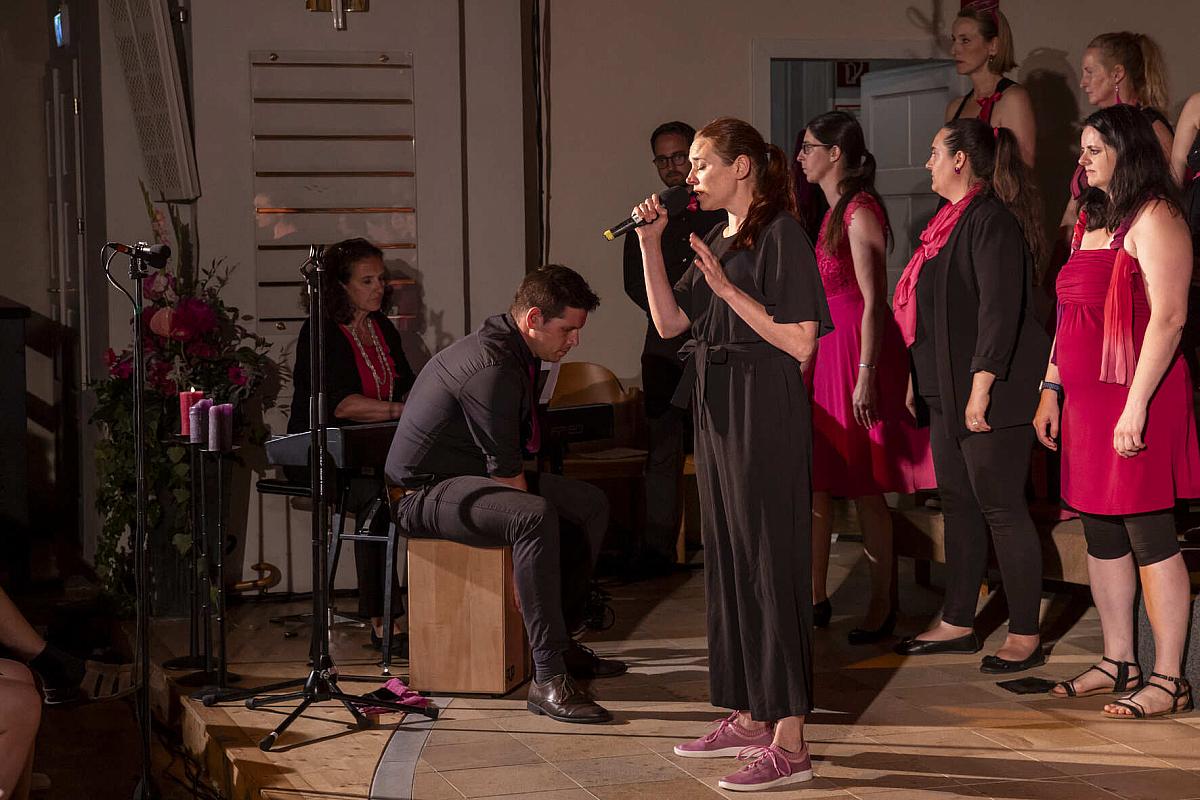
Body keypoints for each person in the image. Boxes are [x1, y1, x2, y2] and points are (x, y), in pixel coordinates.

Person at [635, 116, 832, 791]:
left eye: (701, 164)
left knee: (770, 562)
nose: (690, 177)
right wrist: (651, 247)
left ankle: (792, 741)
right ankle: (749, 714)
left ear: (741, 165)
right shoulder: (721, 234)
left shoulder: (782, 235)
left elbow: (802, 342)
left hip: (763, 404)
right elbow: (668, 324)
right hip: (717, 404)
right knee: (728, 561)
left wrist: (727, 291)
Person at [385, 266, 625, 725]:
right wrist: (518, 563)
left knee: (589, 503)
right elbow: (507, 472)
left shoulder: (516, 352)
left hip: (466, 479)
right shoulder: (493, 366)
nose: (574, 342)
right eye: (567, 330)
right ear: (533, 318)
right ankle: (548, 677)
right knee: (532, 515)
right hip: (421, 492)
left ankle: (563, 640)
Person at [1037, 105, 1197, 719]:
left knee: (1148, 533)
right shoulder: (1088, 221)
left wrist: (1135, 407)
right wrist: (1052, 387)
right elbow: (1068, 314)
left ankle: (1169, 677)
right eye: (1081, 148)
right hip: (1086, 401)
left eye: (1093, 148)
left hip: (1140, 396)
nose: (1082, 158)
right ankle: (1118, 658)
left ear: (1126, 150)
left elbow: (1171, 317)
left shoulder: (1157, 216)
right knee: (1101, 531)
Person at [892, 118, 1051, 674]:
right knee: (959, 504)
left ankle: (1026, 633)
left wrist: (981, 388)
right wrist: (916, 378)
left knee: (1002, 509)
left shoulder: (990, 221)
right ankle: (958, 620)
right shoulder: (944, 224)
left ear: (961, 160)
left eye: (935, 152)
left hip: (990, 391)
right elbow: (930, 315)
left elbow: (999, 311)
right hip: (946, 389)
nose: (927, 162)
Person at [796, 111, 934, 644]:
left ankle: (883, 602)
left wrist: (866, 373)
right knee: (819, 481)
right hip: (828, 350)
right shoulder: (831, 210)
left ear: (835, 153)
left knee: (866, 485)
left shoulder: (858, 211)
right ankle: (813, 596)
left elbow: (876, 300)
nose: (801, 156)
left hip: (856, 348)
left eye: (809, 147)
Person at [287, 238, 416, 646]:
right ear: (339, 287)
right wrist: (401, 412)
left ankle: (442, 607)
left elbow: (408, 386)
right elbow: (341, 405)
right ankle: (383, 620)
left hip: (374, 448)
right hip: (322, 451)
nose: (379, 287)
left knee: (426, 482)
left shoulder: (381, 328)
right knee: (378, 499)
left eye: (381, 279)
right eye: (367, 280)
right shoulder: (321, 331)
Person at [622, 121, 725, 574]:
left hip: (713, 342)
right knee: (662, 451)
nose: (671, 166)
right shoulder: (645, 214)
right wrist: (670, 315)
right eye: (662, 159)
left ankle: (724, 546)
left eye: (679, 156)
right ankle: (657, 552)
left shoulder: (716, 210)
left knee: (718, 447)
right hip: (663, 349)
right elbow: (632, 283)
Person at [1059, 32, 1173, 234]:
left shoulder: (1151, 127)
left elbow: (1166, 192)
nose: (1083, 83)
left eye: (1090, 72)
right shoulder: (1096, 130)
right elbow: (1074, 205)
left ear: (1117, 74)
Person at [945, 1, 1037, 167]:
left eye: (965, 40)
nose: (954, 50)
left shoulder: (1013, 99)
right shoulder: (955, 108)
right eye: (954, 40)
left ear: (993, 46)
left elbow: (1023, 170)